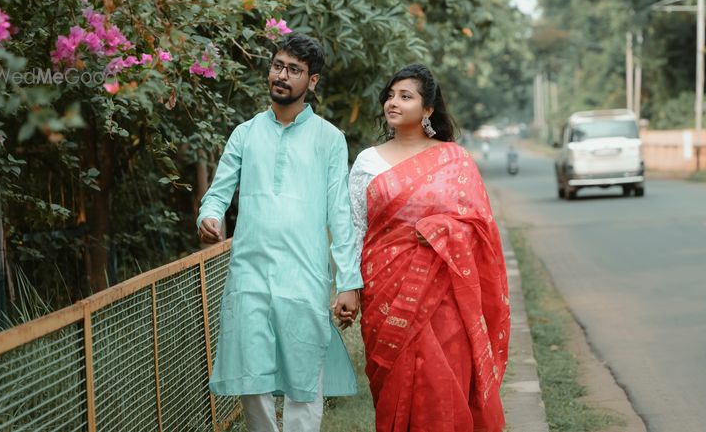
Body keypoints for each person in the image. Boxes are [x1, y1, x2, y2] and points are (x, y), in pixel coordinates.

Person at [196, 34, 362, 432]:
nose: (281, 75)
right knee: (249, 377)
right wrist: (210, 216)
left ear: (313, 81)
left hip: (304, 278)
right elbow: (217, 194)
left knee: (304, 380)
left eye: (294, 70)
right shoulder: (246, 133)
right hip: (249, 275)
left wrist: (349, 282)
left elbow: (341, 215)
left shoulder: (330, 139)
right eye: (277, 66)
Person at [348, 64, 510, 432]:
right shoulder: (367, 161)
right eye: (390, 95)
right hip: (383, 291)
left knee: (443, 382)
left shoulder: (454, 160)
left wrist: (443, 230)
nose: (394, 102)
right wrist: (349, 285)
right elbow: (356, 227)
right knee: (392, 382)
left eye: (406, 96)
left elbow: (479, 226)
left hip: (443, 298)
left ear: (427, 110)